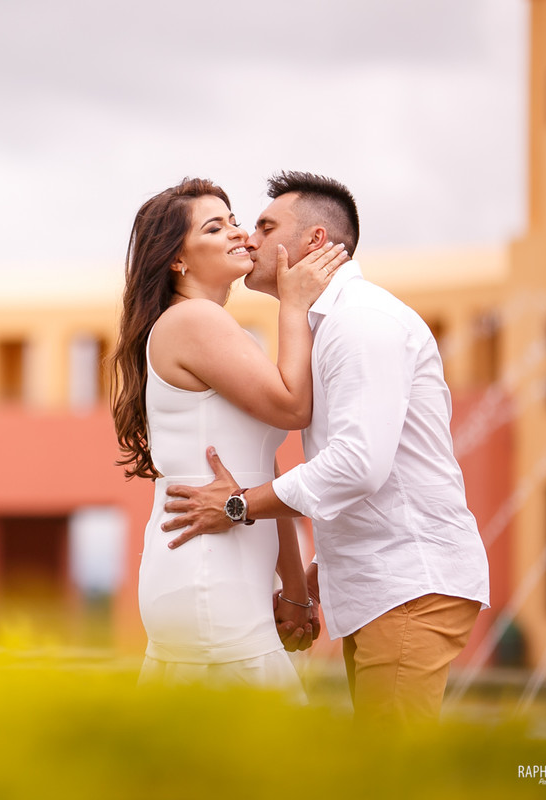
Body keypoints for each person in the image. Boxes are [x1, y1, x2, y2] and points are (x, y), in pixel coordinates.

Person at [161, 171, 491, 723]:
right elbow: (369, 475)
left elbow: (358, 466)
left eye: (265, 227)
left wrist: (239, 504)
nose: (249, 239)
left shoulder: (359, 322)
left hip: (407, 585)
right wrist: (314, 575)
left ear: (314, 242)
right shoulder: (330, 324)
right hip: (386, 585)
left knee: (391, 772)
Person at [111, 177, 348, 692]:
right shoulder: (194, 320)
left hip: (225, 570)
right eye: (216, 228)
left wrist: (293, 587)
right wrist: (294, 302)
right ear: (178, 259)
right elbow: (292, 407)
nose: (240, 235)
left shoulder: (212, 325)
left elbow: (262, 468)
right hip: (207, 572)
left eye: (235, 220)